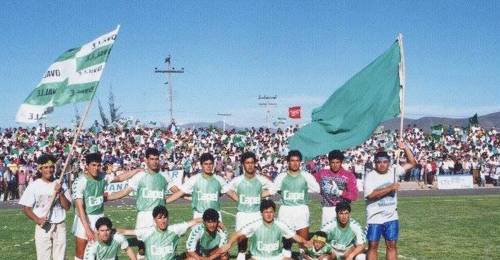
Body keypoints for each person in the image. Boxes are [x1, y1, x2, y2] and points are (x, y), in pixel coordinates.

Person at [72, 152, 139, 260]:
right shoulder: (80, 181)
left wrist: (136, 171)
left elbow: (120, 178)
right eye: (93, 165)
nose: (96, 168)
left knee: (101, 250)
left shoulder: (103, 177)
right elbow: (79, 208)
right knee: (81, 254)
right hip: (84, 219)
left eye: (98, 165)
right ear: (87, 166)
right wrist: (87, 229)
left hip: (99, 218)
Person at [364, 141, 416, 260]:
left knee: (392, 245)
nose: (382, 164)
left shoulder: (394, 171)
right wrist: (390, 188)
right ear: (374, 163)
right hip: (374, 217)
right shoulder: (370, 176)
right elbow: (370, 195)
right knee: (373, 245)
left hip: (391, 216)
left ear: (389, 162)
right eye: (379, 162)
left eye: (385, 162)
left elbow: (412, 163)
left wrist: (405, 148)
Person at [223, 151, 276, 260]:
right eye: (247, 163)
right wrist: (237, 199)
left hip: (257, 214)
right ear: (243, 164)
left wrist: (260, 195)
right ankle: (241, 255)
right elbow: (226, 189)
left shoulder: (260, 179)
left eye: (252, 162)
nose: (250, 165)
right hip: (242, 214)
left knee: (260, 240)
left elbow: (273, 188)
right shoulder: (238, 180)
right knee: (242, 242)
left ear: (255, 164)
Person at [19, 154, 71, 260]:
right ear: (40, 169)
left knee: (60, 257)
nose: (49, 170)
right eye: (46, 167)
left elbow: (67, 207)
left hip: (60, 225)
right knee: (43, 257)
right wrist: (37, 220)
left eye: (51, 167)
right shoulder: (34, 185)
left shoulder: (60, 183)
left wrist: (60, 193)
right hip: (43, 227)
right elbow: (25, 208)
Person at [221, 199, 310, 260]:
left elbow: (295, 237)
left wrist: (306, 242)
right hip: (258, 257)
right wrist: (229, 244)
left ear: (274, 213)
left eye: (271, 212)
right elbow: (238, 234)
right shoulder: (255, 224)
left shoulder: (280, 224)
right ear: (261, 213)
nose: (268, 215)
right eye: (266, 212)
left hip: (277, 257)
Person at [274, 150, 320, 257]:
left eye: (297, 161)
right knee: (286, 239)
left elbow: (317, 189)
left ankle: (302, 256)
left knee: (303, 240)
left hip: (301, 209)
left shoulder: (306, 176)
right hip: (286, 209)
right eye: (292, 161)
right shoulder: (281, 176)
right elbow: (273, 190)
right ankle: (287, 255)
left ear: (300, 162)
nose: (295, 163)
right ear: (288, 162)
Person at [118, 205, 201, 260]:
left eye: (165, 217)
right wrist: (109, 230)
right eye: (159, 218)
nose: (163, 221)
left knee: (192, 258)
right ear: (154, 220)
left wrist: (210, 220)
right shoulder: (147, 232)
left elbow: (194, 222)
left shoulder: (175, 229)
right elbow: (125, 231)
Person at [167, 153, 227, 220]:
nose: (208, 166)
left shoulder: (219, 179)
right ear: (201, 165)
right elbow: (179, 193)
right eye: (206, 164)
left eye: (210, 164)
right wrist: (164, 202)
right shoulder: (194, 179)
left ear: (213, 165)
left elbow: (228, 192)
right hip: (199, 215)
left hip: (216, 215)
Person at [314, 150, 358, 226]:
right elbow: (310, 182)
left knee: (343, 235)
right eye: (332, 162)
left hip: (343, 210)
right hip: (327, 208)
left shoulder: (348, 175)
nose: (335, 165)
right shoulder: (322, 173)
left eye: (337, 162)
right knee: (325, 233)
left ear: (341, 162)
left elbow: (354, 196)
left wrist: (339, 192)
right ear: (329, 162)